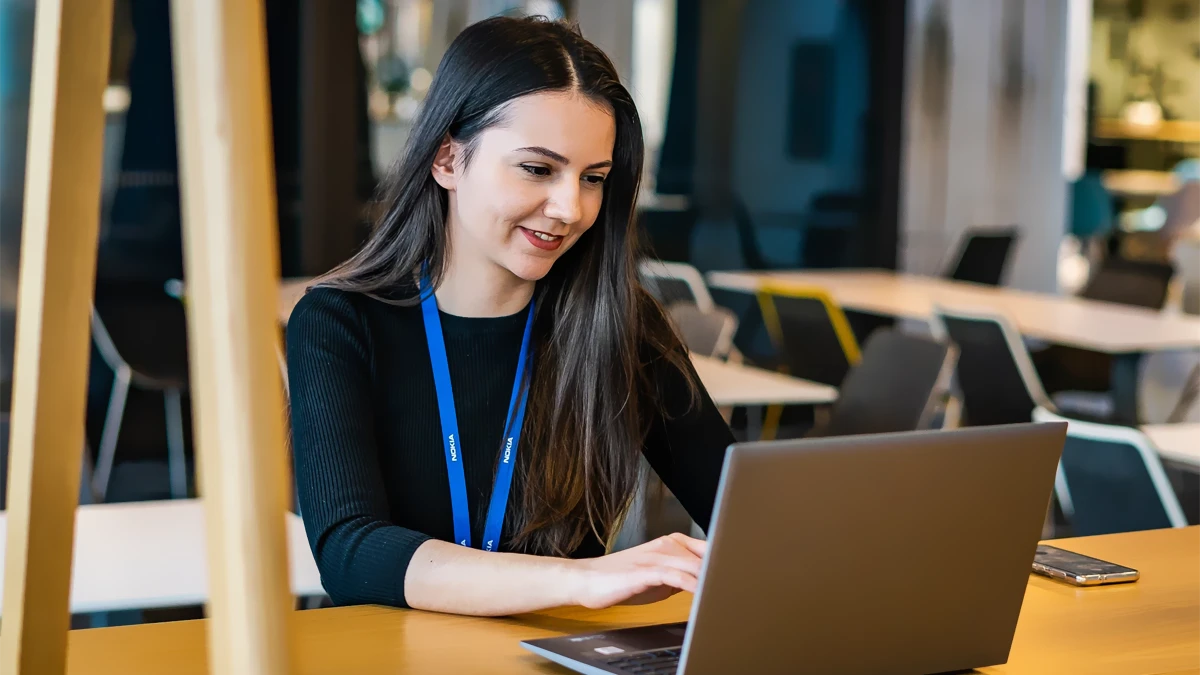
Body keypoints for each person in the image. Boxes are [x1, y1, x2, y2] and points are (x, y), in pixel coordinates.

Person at [286, 15, 734, 618]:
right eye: (537, 169)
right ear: (447, 159)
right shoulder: (339, 322)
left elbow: (741, 512)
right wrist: (578, 581)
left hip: (557, 656)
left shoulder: (620, 324)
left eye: (593, 179)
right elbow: (352, 554)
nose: (570, 208)